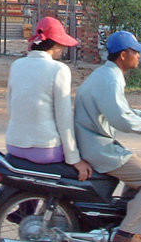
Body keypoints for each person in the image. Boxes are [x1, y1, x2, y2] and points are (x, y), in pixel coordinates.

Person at [74, 30, 141, 242]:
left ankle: (122, 220)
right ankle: (128, 233)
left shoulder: (106, 74)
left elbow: (118, 109)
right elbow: (120, 119)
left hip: (96, 141)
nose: (139, 56)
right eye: (135, 52)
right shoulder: (111, 79)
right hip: (98, 148)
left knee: (139, 170)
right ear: (123, 55)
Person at [5, 16, 93, 181]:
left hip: (14, 144)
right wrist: (75, 159)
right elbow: (64, 118)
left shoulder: (17, 65)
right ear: (55, 44)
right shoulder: (59, 69)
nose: (63, 49)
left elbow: (11, 106)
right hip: (44, 149)